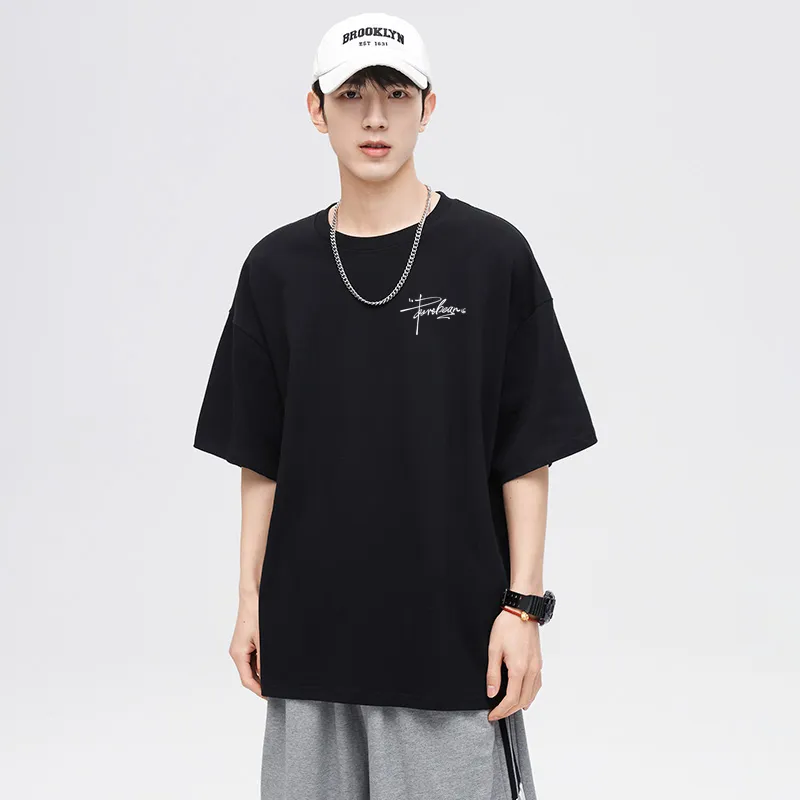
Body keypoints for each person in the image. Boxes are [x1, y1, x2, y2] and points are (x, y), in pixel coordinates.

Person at [192, 12, 598, 800]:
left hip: (449, 646)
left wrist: (522, 610)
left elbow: (526, 450)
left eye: (396, 94)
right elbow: (261, 459)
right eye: (351, 95)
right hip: (311, 643)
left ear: (428, 107)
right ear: (317, 110)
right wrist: (248, 601)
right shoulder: (276, 270)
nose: (374, 117)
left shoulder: (491, 257)